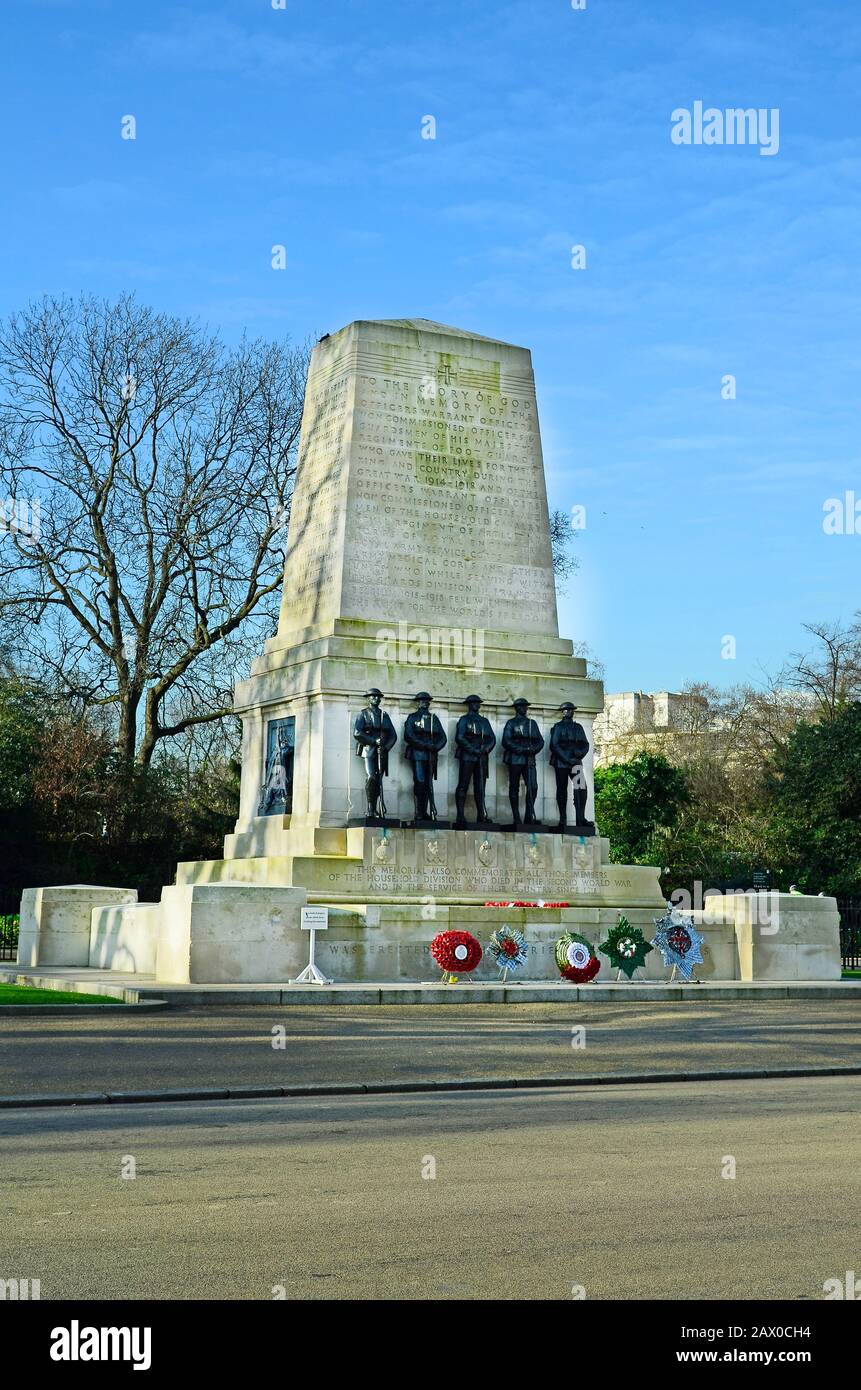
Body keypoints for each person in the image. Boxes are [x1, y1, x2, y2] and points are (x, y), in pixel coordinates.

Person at [353, 688, 397, 819]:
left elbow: (393, 736)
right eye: (373, 697)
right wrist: (373, 741)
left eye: (378, 697)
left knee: (378, 780)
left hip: (381, 751)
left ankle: (376, 809)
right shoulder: (363, 714)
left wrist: (385, 747)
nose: (376, 699)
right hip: (368, 750)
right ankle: (370, 808)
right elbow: (357, 733)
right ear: (368, 699)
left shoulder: (384, 715)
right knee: (372, 777)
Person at [403, 692, 447, 823]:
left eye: (426, 701)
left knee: (429, 784)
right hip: (418, 754)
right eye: (422, 700)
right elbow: (408, 736)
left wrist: (435, 746)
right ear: (418, 702)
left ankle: (425, 812)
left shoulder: (434, 719)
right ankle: (418, 812)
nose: (424, 703)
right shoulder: (412, 717)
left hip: (431, 755)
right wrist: (425, 745)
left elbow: (443, 738)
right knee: (420, 782)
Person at [453, 695, 496, 828]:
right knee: (463, 785)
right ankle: (460, 814)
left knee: (481, 787)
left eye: (478, 703)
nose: (477, 705)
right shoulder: (464, 720)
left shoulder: (484, 721)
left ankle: (481, 815)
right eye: (474, 703)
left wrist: (485, 749)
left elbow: (492, 739)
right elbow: (459, 737)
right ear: (469, 704)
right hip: (468, 755)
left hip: (482, 756)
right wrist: (472, 749)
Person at [548, 702, 592, 831]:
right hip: (561, 762)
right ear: (562, 712)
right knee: (561, 789)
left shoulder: (578, 727)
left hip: (576, 761)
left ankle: (581, 818)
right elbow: (554, 745)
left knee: (581, 788)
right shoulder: (558, 727)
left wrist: (579, 754)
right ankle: (563, 818)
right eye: (566, 710)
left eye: (570, 710)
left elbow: (585, 744)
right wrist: (567, 759)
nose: (568, 712)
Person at [501, 698, 544, 827]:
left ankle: (528, 816)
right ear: (517, 708)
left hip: (529, 759)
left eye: (525, 706)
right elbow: (506, 741)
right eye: (521, 706)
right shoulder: (511, 723)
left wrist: (532, 750)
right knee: (514, 787)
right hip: (515, 758)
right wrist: (521, 749)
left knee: (533, 787)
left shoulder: (532, 723)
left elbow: (540, 741)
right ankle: (516, 817)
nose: (524, 708)